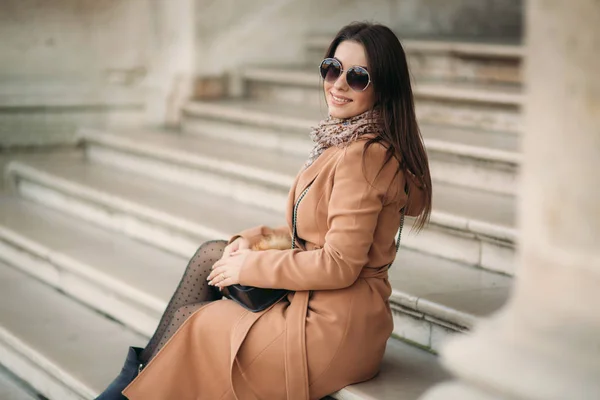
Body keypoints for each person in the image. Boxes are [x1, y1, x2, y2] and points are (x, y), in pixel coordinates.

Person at [95, 21, 432, 400]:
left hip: (331, 327)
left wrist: (248, 267)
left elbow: (339, 263)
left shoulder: (363, 156)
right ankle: (131, 385)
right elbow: (313, 232)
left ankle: (128, 388)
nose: (337, 85)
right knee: (213, 254)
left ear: (384, 86)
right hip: (326, 307)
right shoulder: (348, 141)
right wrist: (249, 243)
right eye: (331, 68)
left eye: (357, 77)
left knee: (193, 321)